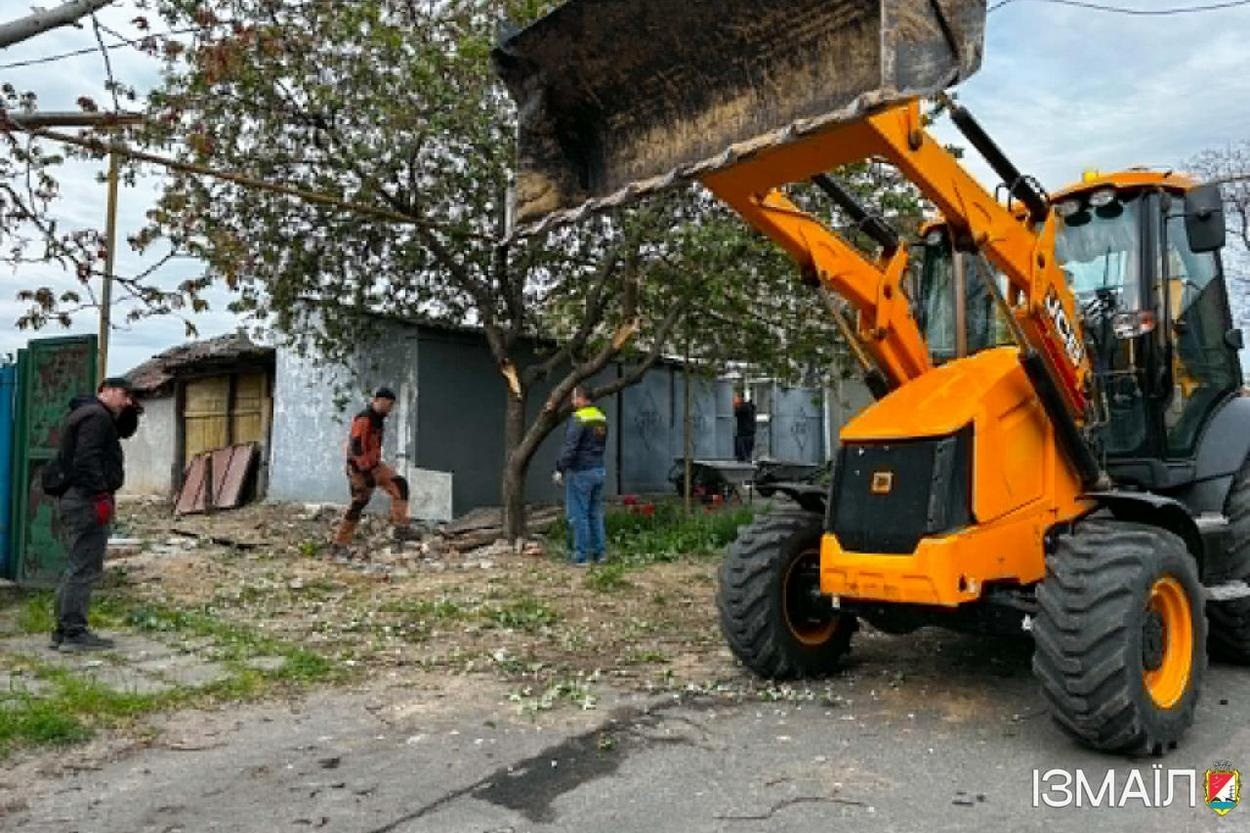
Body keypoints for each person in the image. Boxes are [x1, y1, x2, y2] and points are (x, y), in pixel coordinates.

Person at [51, 377, 138, 652]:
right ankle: (74, 633)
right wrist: (100, 496)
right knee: (85, 566)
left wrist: (130, 411)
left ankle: (64, 631)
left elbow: (124, 432)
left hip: (79, 497)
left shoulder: (89, 413)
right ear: (106, 391)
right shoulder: (95, 417)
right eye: (124, 395)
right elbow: (86, 459)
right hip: (86, 499)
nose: (126, 401)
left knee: (78, 563)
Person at [330, 387, 420, 559]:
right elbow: (356, 446)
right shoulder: (365, 419)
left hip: (374, 465)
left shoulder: (378, 420)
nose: (390, 409)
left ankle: (401, 528)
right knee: (359, 503)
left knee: (399, 484)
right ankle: (339, 543)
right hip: (359, 468)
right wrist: (364, 472)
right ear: (379, 400)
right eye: (389, 404)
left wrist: (372, 467)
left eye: (392, 405)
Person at [553, 386, 608, 565]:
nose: (571, 402)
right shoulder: (601, 418)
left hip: (581, 472)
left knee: (578, 515)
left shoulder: (578, 419)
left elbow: (570, 448)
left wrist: (560, 469)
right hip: (598, 470)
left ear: (581, 399)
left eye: (573, 398)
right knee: (595, 514)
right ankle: (600, 554)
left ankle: (581, 556)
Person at [733, 392, 756, 463]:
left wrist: (735, 406)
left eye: (735, 398)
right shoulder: (749, 407)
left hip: (744, 435)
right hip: (749, 434)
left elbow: (737, 412)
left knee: (743, 457)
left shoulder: (743, 408)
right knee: (747, 456)